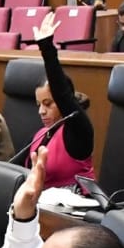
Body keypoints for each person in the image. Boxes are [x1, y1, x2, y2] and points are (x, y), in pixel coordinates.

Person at [19, 11, 95, 190]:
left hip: (75, 205)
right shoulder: (39, 135)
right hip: (41, 203)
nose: (41, 111)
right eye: (39, 105)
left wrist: (47, 48)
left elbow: (62, 95)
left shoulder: (78, 132)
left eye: (48, 104)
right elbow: (13, 169)